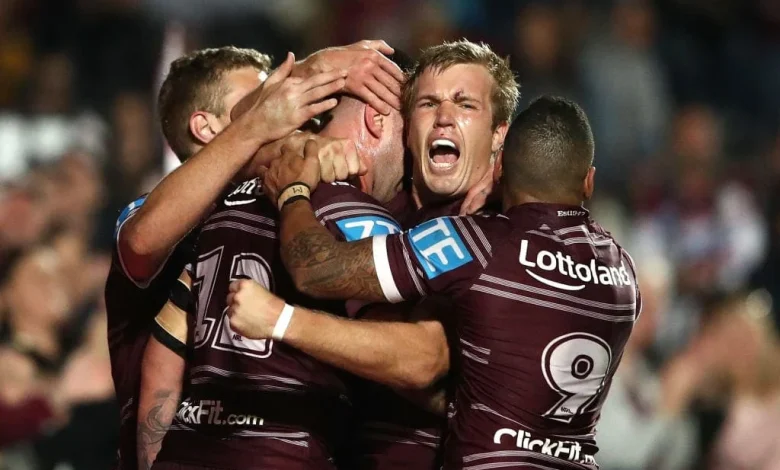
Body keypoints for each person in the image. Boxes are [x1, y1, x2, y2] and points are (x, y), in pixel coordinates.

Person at [230, 95, 640, 469]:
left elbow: (316, 268)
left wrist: (293, 193)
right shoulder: (623, 271)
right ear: (589, 181)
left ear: (499, 168)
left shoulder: (475, 242)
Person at [148, 50, 409, 470]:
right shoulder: (354, 213)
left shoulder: (219, 209)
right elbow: (411, 360)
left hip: (185, 451)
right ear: (377, 119)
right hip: (283, 453)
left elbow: (164, 349)